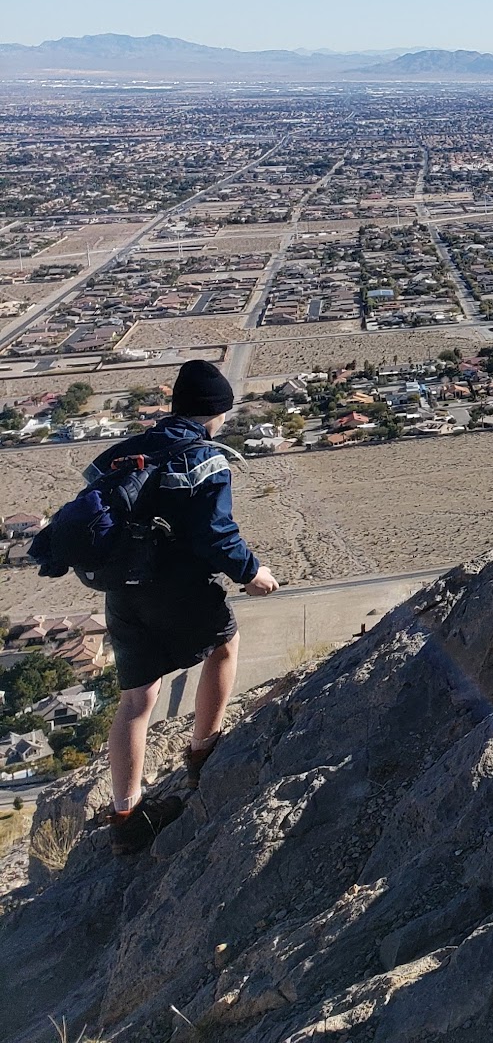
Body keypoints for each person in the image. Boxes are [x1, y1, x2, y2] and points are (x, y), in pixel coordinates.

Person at [91, 358, 278, 855]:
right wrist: (251, 573)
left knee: (136, 700)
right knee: (224, 645)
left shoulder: (122, 453)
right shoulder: (204, 457)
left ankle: (126, 816)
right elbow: (216, 534)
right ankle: (204, 752)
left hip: (121, 590)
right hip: (175, 587)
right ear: (215, 412)